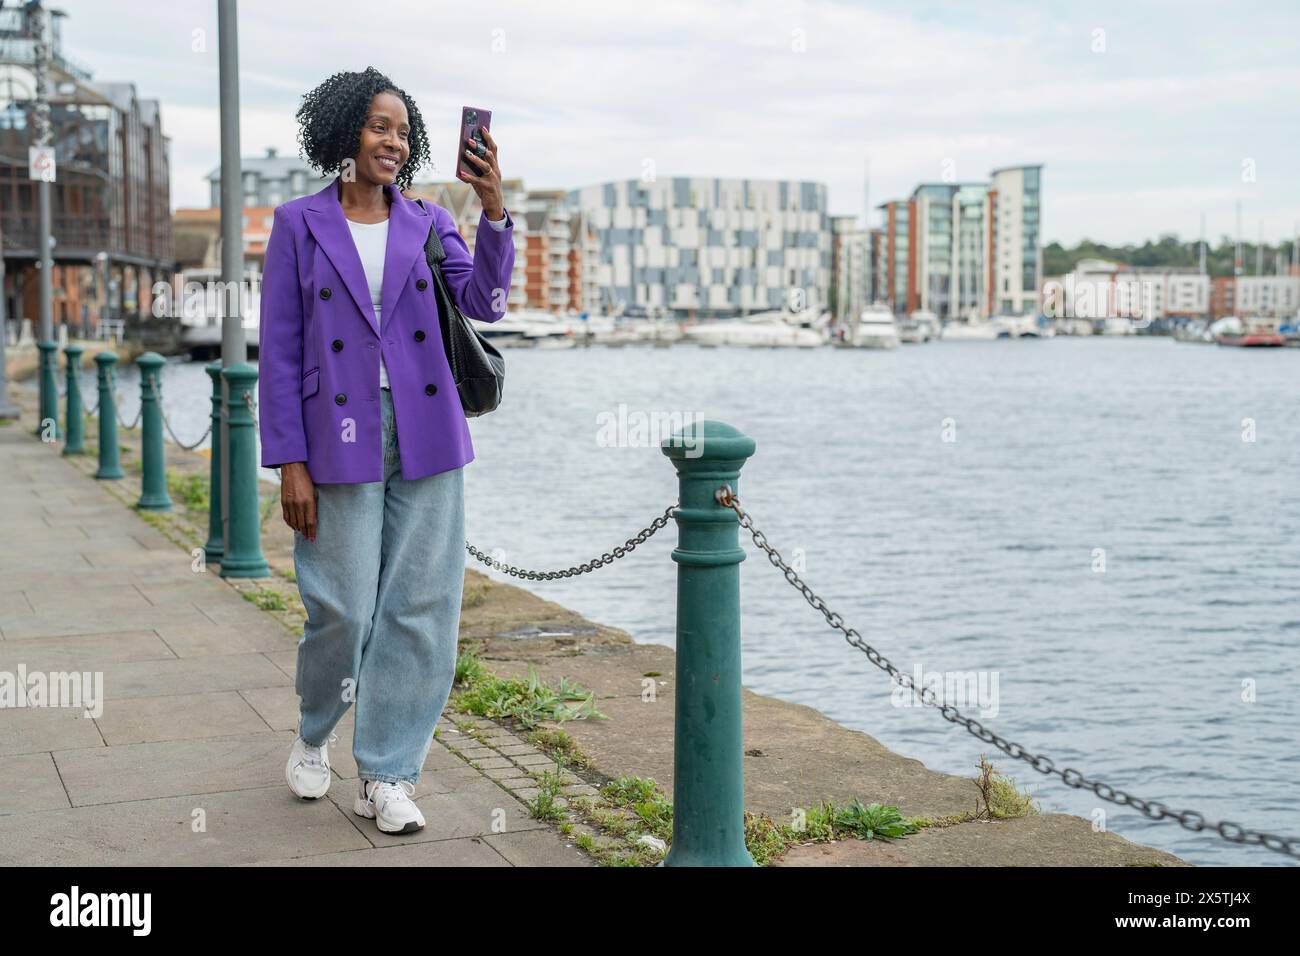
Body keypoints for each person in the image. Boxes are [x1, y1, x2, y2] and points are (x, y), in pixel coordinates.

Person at [257, 67, 514, 834]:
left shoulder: (429, 222)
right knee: (339, 610)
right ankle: (314, 730)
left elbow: (486, 305)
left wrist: (493, 210)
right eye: (378, 125)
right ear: (344, 134)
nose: (392, 141)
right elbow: (279, 349)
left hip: (428, 430)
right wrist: (289, 463)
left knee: (422, 610)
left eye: (402, 130)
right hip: (336, 434)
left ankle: (388, 774)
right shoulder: (297, 223)